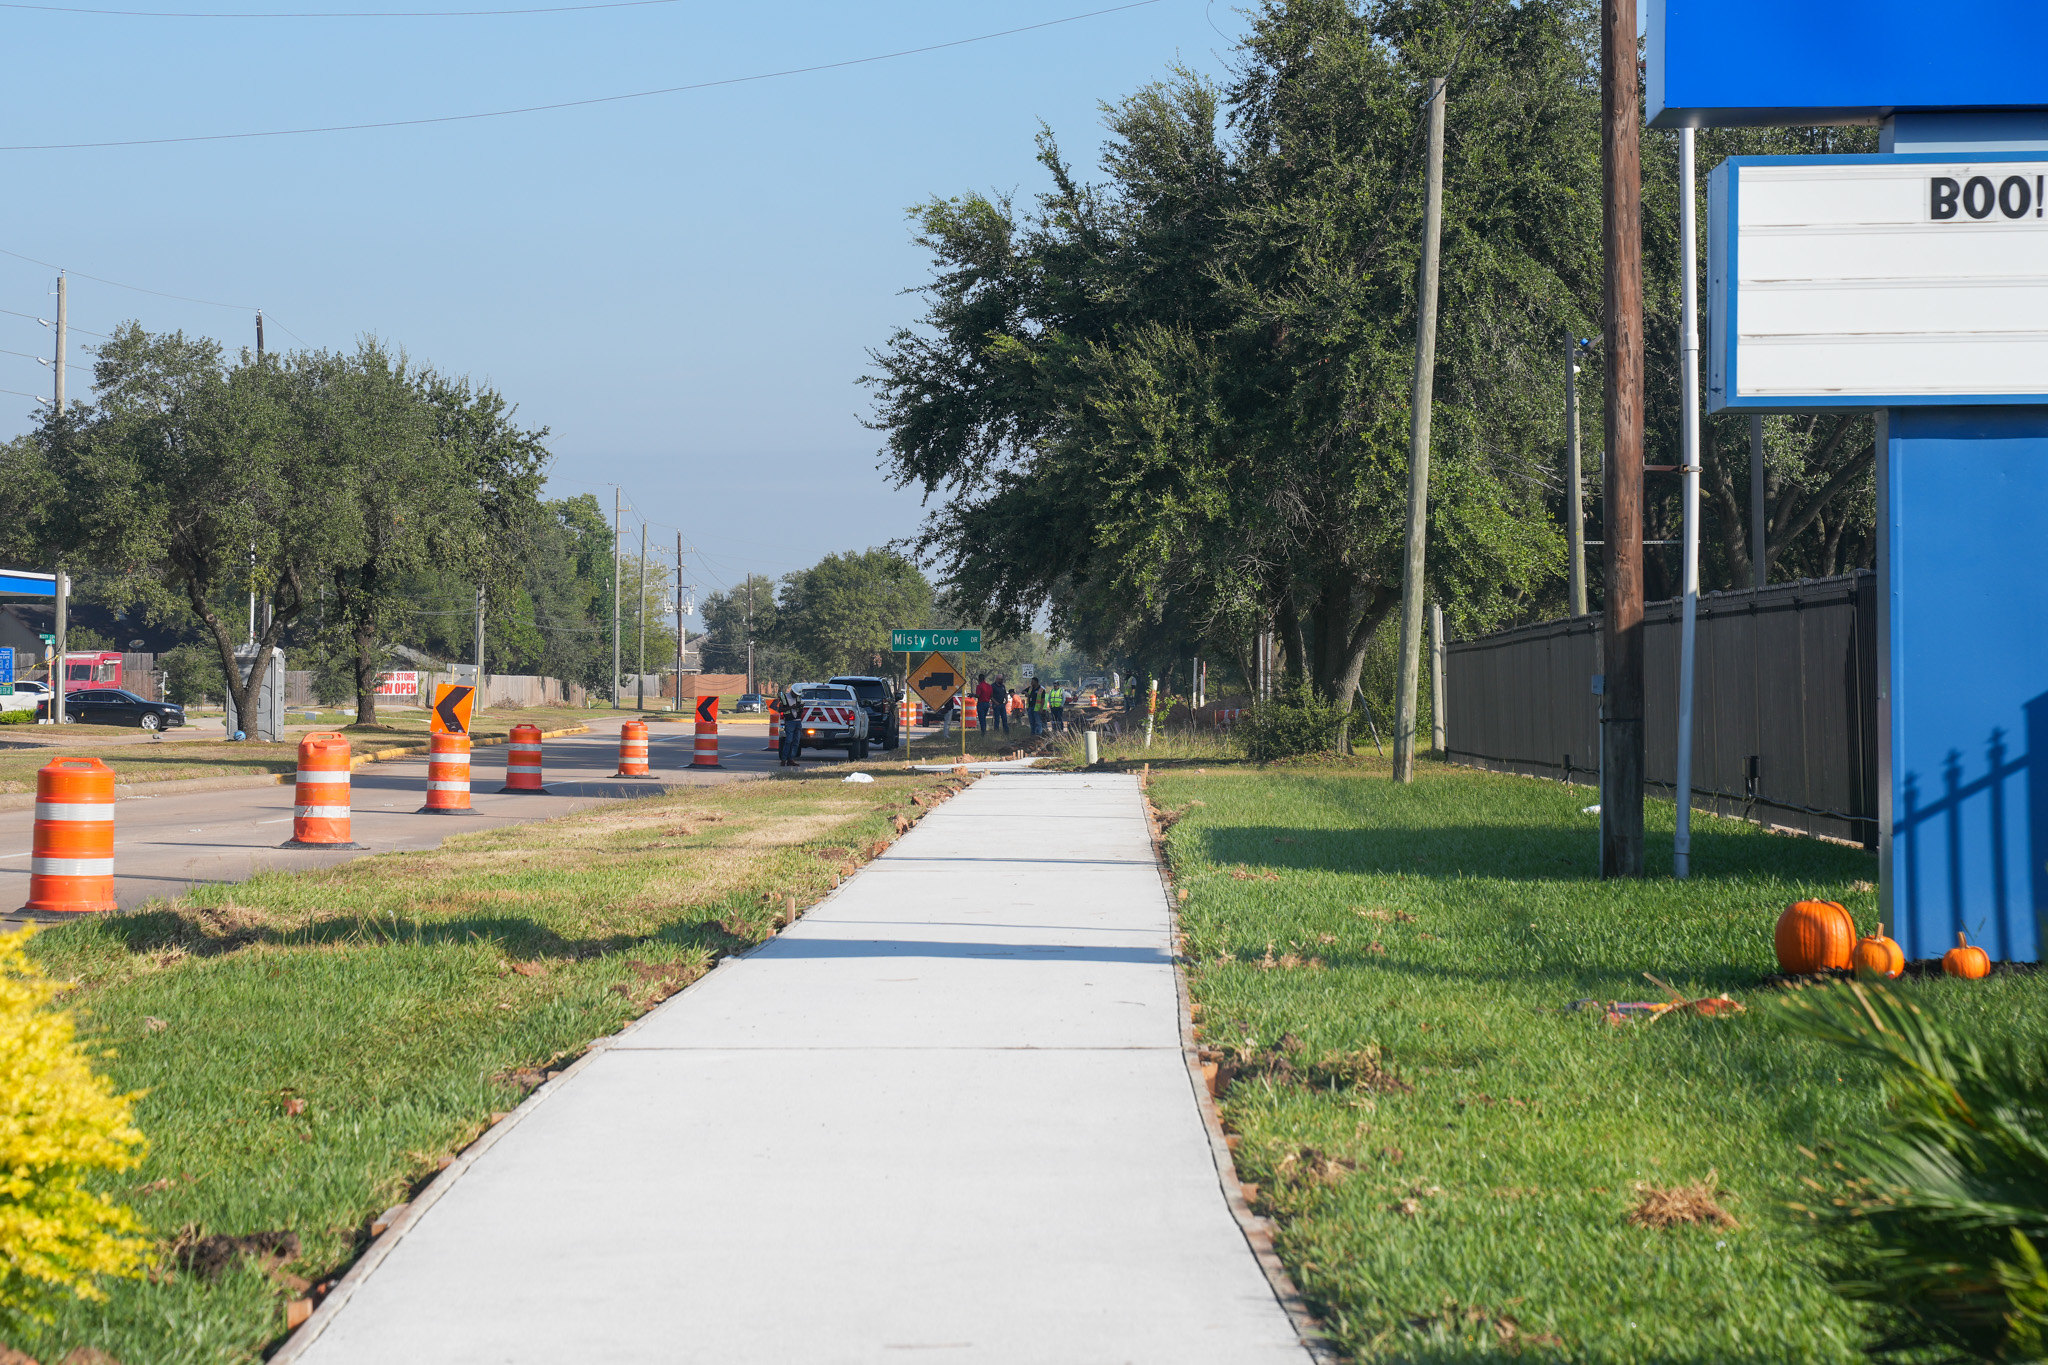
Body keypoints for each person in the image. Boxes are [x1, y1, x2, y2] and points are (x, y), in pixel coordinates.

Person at [778, 685, 805, 766]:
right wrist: (790, 708)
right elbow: (780, 710)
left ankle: (791, 759)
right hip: (789, 722)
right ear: (792, 691)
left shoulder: (798, 698)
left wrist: (800, 708)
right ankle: (783, 759)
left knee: (796, 741)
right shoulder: (784, 698)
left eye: (798, 694)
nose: (796, 696)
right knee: (789, 740)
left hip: (798, 722)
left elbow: (800, 710)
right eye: (795, 694)